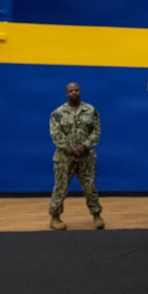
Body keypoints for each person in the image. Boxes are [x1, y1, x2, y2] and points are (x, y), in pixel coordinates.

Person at [48, 82, 104, 230]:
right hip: (64, 158)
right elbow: (56, 135)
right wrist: (72, 148)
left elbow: (96, 131)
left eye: (76, 90)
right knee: (60, 188)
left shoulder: (91, 110)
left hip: (86, 157)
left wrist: (85, 146)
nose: (74, 93)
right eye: (71, 91)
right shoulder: (58, 113)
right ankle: (55, 217)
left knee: (90, 187)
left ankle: (97, 215)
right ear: (66, 93)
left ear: (80, 91)